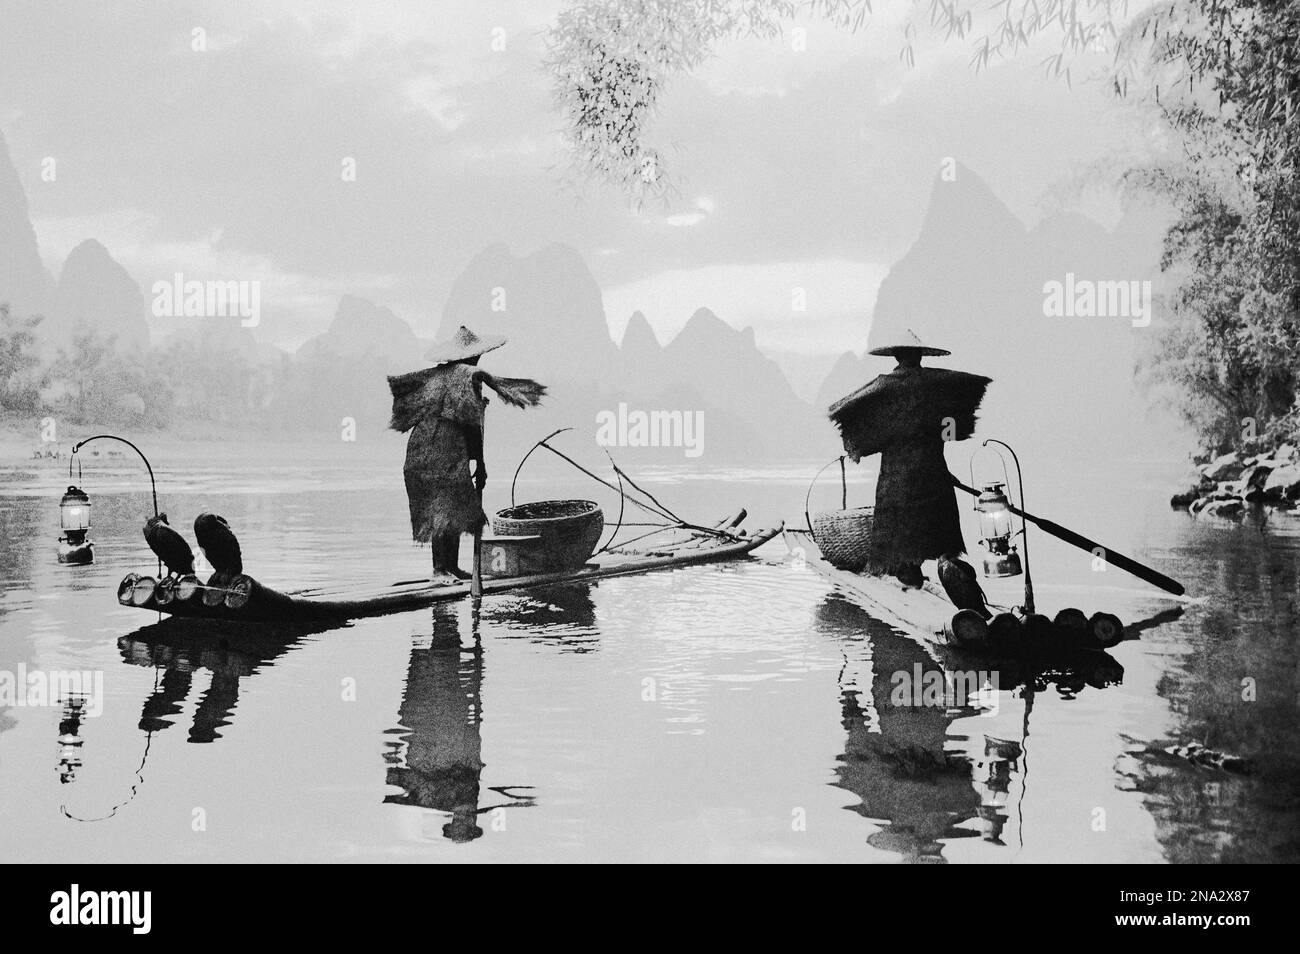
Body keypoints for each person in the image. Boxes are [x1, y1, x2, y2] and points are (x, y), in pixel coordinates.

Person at [828, 330, 991, 588]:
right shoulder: (939, 384)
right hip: (933, 470)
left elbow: (849, 414)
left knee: (899, 537)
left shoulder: (883, 387)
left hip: (896, 476)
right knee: (940, 530)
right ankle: (951, 576)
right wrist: (939, 431)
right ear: (918, 356)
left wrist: (871, 440)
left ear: (896, 355)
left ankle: (910, 574)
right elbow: (951, 427)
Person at [388, 326, 544, 580]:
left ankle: (450, 567)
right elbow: (470, 425)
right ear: (471, 357)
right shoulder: (466, 377)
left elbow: (462, 419)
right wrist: (480, 465)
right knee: (443, 510)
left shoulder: (438, 377)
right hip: (439, 451)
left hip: (426, 451)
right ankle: (440, 570)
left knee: (453, 508)